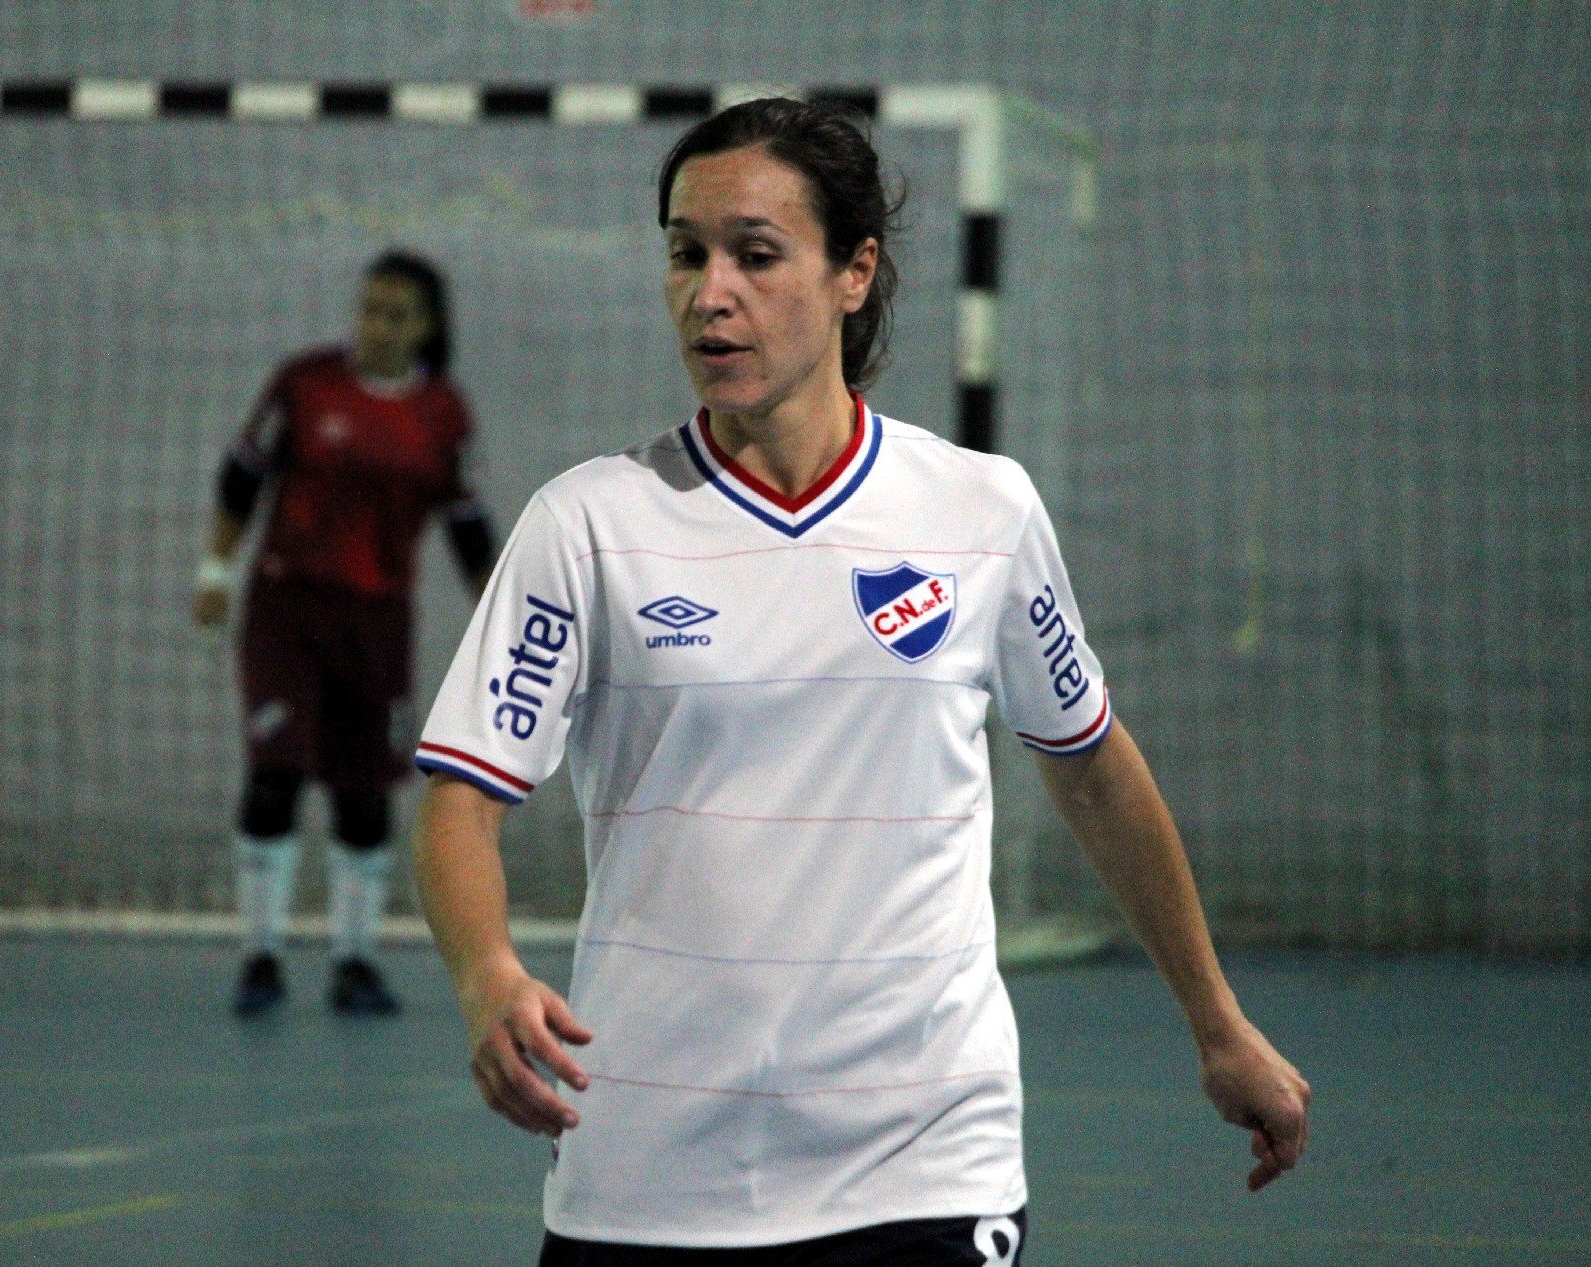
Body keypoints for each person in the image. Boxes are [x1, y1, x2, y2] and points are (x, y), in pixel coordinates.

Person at [410, 99, 1310, 1264]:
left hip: (924, 1160)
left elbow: (1089, 769)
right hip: (646, 1168)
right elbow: (459, 800)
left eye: (755, 253)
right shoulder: (586, 525)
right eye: (685, 252)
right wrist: (485, 975)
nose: (708, 291)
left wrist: (1215, 1020)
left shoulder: (982, 512)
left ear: (854, 272)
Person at [195, 251, 496, 1017]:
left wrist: (500, 614)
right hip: (288, 610)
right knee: (275, 775)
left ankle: (353, 961)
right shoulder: (304, 385)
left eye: (395, 313)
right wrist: (215, 571)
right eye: (368, 308)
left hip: (378, 620)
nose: (375, 325)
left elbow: (466, 525)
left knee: (365, 796)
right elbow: (240, 478)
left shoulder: (441, 414)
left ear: (425, 326)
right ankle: (260, 954)